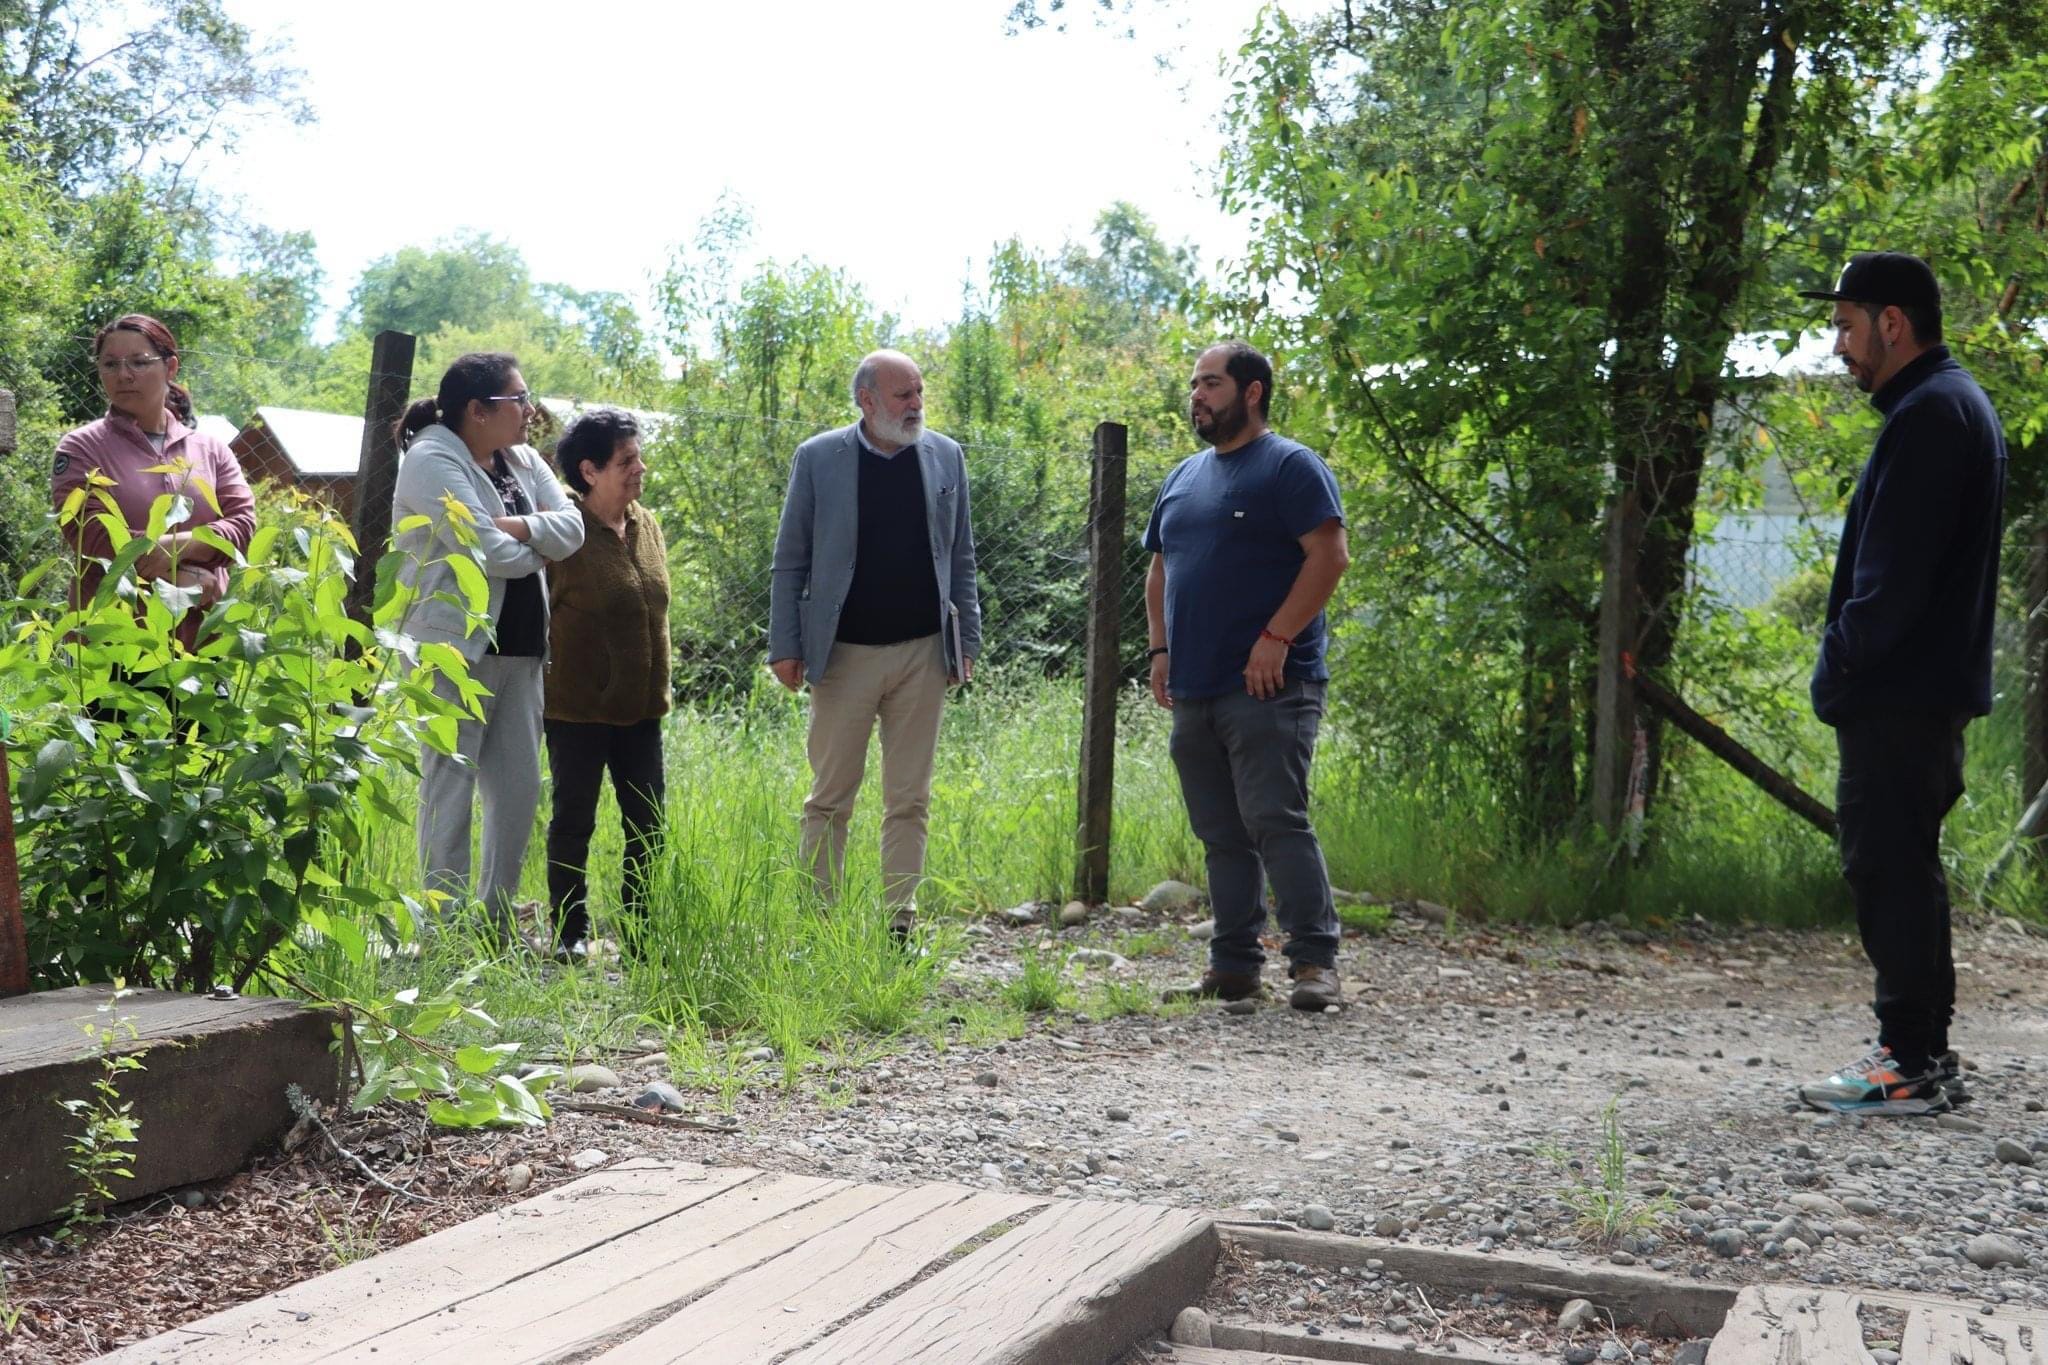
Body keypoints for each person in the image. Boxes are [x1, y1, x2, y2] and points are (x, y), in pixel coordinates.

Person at [1794, 252, 2007, 1117]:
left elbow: (1894, 584)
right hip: (1921, 689)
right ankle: (1924, 1054)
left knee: (1886, 866)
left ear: (1893, 323)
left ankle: (1908, 1063)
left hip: (1900, 691)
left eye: (1847, 325)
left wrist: (1837, 666)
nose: (1838, 345)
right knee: (1905, 868)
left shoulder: (1930, 415)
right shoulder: (1949, 405)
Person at [1146, 341, 1351, 1011]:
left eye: (1210, 383)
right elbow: (1161, 569)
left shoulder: (1291, 467)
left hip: (1271, 685)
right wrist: (1160, 651)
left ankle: (1314, 962)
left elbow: (1329, 556)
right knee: (1220, 831)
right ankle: (1234, 964)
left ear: (1252, 391)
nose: (1197, 396)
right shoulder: (1182, 476)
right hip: (1195, 686)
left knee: (1274, 818)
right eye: (1195, 385)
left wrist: (1276, 636)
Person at [767, 349, 979, 937]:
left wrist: (967, 642)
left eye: (918, 393)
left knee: (910, 798)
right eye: (902, 395)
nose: (916, 405)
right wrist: (786, 643)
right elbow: (791, 560)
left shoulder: (946, 456)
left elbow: (961, 557)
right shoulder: (818, 458)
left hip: (923, 653)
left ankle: (899, 923)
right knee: (830, 798)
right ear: (866, 401)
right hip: (842, 657)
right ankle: (818, 925)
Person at [391, 353, 584, 944]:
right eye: (519, 400)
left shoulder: (522, 460)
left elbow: (574, 528)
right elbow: (489, 554)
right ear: (478, 411)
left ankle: (495, 929)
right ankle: (443, 935)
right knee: (449, 789)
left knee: (519, 791)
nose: (530, 410)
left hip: (523, 653)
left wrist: (518, 529)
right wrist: (534, 540)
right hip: (453, 651)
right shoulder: (430, 458)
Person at [542, 409, 671, 961]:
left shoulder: (648, 525)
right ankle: (570, 934)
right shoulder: (563, 533)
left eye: (638, 456)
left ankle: (642, 932)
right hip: (576, 711)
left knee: (648, 823)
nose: (640, 468)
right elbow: (537, 615)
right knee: (575, 821)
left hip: (643, 710)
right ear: (590, 471)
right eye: (627, 461)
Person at [53, 314, 256, 649]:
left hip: (202, 645)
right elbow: (89, 534)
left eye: (139, 362)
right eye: (110, 364)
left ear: (171, 367)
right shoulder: (82, 448)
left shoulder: (211, 450)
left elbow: (243, 527)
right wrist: (188, 579)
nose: (123, 375)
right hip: (112, 645)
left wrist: (175, 548)